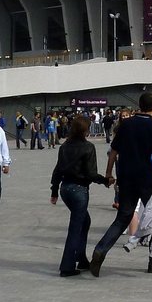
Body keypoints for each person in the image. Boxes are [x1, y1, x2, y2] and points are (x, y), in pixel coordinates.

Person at [90, 92, 152, 276]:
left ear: (139, 105)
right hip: (145, 177)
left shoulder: (125, 124)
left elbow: (113, 152)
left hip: (125, 176)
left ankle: (101, 250)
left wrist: (109, 173)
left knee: (123, 217)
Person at [50, 115, 110, 277]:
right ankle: (67, 266)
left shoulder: (65, 147)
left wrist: (54, 191)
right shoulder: (88, 147)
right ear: (85, 130)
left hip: (66, 189)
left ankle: (81, 258)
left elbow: (57, 170)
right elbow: (90, 173)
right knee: (76, 227)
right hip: (79, 190)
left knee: (84, 221)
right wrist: (105, 180)